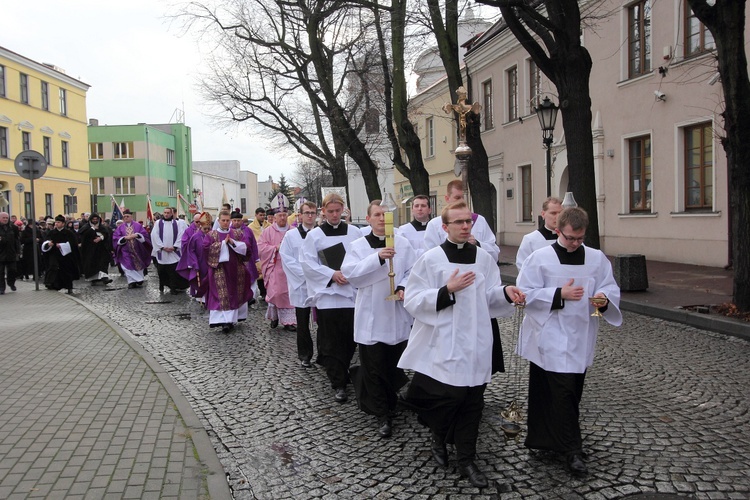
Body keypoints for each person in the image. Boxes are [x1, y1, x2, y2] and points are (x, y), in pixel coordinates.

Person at [398, 201, 524, 488]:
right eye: (459, 222)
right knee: (451, 397)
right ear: (445, 227)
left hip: (478, 340)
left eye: (468, 221)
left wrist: (506, 291)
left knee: (473, 403)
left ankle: (467, 459)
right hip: (446, 341)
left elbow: (490, 295)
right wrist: (446, 291)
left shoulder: (482, 258)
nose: (466, 226)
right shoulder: (431, 259)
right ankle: (439, 438)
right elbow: (413, 300)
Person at [516, 206, 622, 476]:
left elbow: (609, 287)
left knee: (570, 392)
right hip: (549, 334)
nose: (575, 244)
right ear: (557, 231)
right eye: (569, 238)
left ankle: (547, 439)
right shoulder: (540, 257)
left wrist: (602, 299)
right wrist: (558, 293)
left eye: (580, 239)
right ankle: (572, 450)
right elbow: (525, 293)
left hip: (580, 334)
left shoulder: (597, 259)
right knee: (560, 392)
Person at [341, 201, 417, 438]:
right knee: (374, 366)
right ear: (369, 218)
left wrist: (404, 285)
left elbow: (412, 269)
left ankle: (391, 399)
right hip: (371, 313)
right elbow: (350, 273)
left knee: (393, 363)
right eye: (377, 215)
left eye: (385, 215)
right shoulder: (358, 245)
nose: (382, 218)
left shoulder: (402, 243)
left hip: (395, 313)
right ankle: (382, 413)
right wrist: (378, 258)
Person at [301, 193, 362, 403]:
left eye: (338, 211)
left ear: (343, 210)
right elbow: (308, 263)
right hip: (328, 295)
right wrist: (332, 275)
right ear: (324, 211)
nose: (335, 215)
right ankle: (338, 382)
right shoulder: (315, 236)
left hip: (351, 294)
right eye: (331, 211)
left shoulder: (355, 232)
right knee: (331, 340)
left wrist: (350, 274)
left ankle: (345, 371)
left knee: (349, 338)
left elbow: (363, 258)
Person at [203, 210, 255, 333]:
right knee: (221, 296)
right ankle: (222, 321)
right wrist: (222, 244)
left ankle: (231, 320)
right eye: (223, 220)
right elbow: (206, 249)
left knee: (234, 294)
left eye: (228, 220)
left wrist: (233, 243)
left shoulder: (237, 234)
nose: (226, 223)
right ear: (219, 221)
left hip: (236, 270)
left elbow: (247, 247)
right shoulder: (211, 235)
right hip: (219, 270)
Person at [280, 201, 318, 367]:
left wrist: (318, 275)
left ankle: (324, 354)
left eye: (313, 212)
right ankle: (305, 354)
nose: (310, 215)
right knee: (302, 323)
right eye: (307, 212)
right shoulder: (291, 235)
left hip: (319, 284)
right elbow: (287, 259)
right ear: (300, 215)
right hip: (301, 285)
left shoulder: (320, 233)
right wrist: (306, 274)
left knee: (323, 322)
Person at [423, 180, 500, 262]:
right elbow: (429, 257)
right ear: (447, 198)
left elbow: (494, 254)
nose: (461, 201)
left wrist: (477, 243)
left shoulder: (479, 220)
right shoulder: (435, 224)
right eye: (457, 197)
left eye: (464, 197)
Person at [258, 206, 296, 331]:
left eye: (284, 215)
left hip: (290, 267)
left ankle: (288, 322)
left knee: (289, 293)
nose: (283, 217)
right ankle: (274, 317)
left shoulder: (293, 230)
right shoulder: (268, 231)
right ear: (274, 217)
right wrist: (275, 248)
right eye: (280, 215)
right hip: (274, 266)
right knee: (277, 292)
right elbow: (261, 248)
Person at [515, 196, 562, 271]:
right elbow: (523, 266)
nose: (558, 217)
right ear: (543, 214)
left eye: (561, 213)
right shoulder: (530, 239)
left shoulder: (570, 238)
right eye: (553, 213)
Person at [151, 207, 189, 294]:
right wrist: (162, 247)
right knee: (161, 271)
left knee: (173, 272)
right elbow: (154, 235)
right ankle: (162, 285)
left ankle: (173, 287)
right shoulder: (158, 223)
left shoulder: (177, 223)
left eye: (168, 213)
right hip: (162, 252)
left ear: (172, 214)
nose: (166, 214)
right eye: (165, 212)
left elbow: (181, 235)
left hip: (173, 252)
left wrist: (175, 247)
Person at [112, 209, 152, 289]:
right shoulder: (120, 228)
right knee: (126, 266)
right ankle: (133, 281)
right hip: (125, 251)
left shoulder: (138, 226)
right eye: (124, 217)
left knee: (139, 265)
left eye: (127, 216)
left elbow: (145, 235)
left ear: (131, 217)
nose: (126, 218)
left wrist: (137, 235)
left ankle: (137, 280)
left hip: (138, 250)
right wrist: (124, 238)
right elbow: (115, 237)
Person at [177, 212, 212, 300]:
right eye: (205, 229)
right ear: (201, 227)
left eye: (209, 229)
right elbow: (191, 251)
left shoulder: (213, 236)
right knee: (200, 280)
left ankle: (210, 298)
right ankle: (202, 298)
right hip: (200, 262)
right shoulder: (195, 237)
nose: (207, 231)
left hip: (211, 262)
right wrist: (194, 263)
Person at [41, 215, 80, 294]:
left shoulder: (69, 233)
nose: (56, 224)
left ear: (63, 223)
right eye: (56, 222)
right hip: (54, 254)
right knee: (54, 268)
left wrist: (62, 245)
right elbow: (46, 242)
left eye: (58, 222)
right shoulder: (52, 232)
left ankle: (69, 287)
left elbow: (73, 244)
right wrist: (49, 244)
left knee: (67, 271)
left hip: (66, 256)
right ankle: (54, 285)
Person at [78, 214, 113, 285]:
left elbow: (106, 234)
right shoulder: (86, 227)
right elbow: (83, 235)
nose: (95, 220)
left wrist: (101, 238)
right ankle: (94, 279)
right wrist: (92, 229)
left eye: (96, 219)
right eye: (93, 219)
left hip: (101, 249)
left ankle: (104, 278)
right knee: (92, 264)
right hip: (90, 250)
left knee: (102, 263)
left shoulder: (102, 227)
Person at [249, 207, 270, 300]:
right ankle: (263, 291)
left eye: (263, 215)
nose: (262, 217)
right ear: (256, 215)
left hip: (267, 252)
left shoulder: (269, 225)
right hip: (257, 252)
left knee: (268, 271)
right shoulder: (251, 227)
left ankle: (269, 290)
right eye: (260, 215)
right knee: (259, 273)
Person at [0, 211, 20, 294]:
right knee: (0, 272)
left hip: (11, 252)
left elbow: (17, 240)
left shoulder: (13, 227)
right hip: (0, 253)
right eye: (3, 218)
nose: (5, 219)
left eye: (6, 218)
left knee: (13, 270)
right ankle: (1, 288)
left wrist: (18, 251)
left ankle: (11, 283)